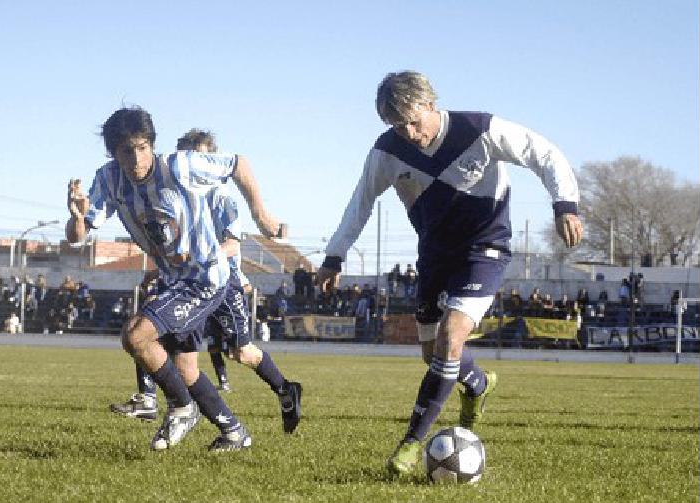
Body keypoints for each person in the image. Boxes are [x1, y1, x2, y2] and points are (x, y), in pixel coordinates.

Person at [314, 71, 583, 476]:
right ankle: (478, 384)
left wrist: (565, 203)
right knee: (433, 353)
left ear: (430, 103)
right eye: (396, 125)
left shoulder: (479, 129)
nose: (407, 132)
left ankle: (411, 443)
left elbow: (543, 153)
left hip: (484, 249)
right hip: (434, 256)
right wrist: (334, 257)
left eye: (412, 120)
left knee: (450, 336)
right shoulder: (387, 151)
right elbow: (360, 203)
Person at [69, 107, 286, 453]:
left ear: (152, 144)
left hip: (205, 277)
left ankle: (182, 408)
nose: (137, 158)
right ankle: (234, 432)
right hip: (174, 280)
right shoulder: (109, 179)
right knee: (185, 368)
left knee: (135, 335)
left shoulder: (179, 166)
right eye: (127, 151)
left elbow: (238, 164)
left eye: (142, 148)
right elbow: (77, 236)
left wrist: (261, 213)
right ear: (114, 153)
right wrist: (77, 217)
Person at [110, 128, 301, 427]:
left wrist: (202, 258)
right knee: (157, 336)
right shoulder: (175, 192)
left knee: (241, 352)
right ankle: (157, 401)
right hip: (188, 282)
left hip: (222, 283)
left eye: (197, 156)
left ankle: (285, 389)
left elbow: (233, 245)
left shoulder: (223, 197)